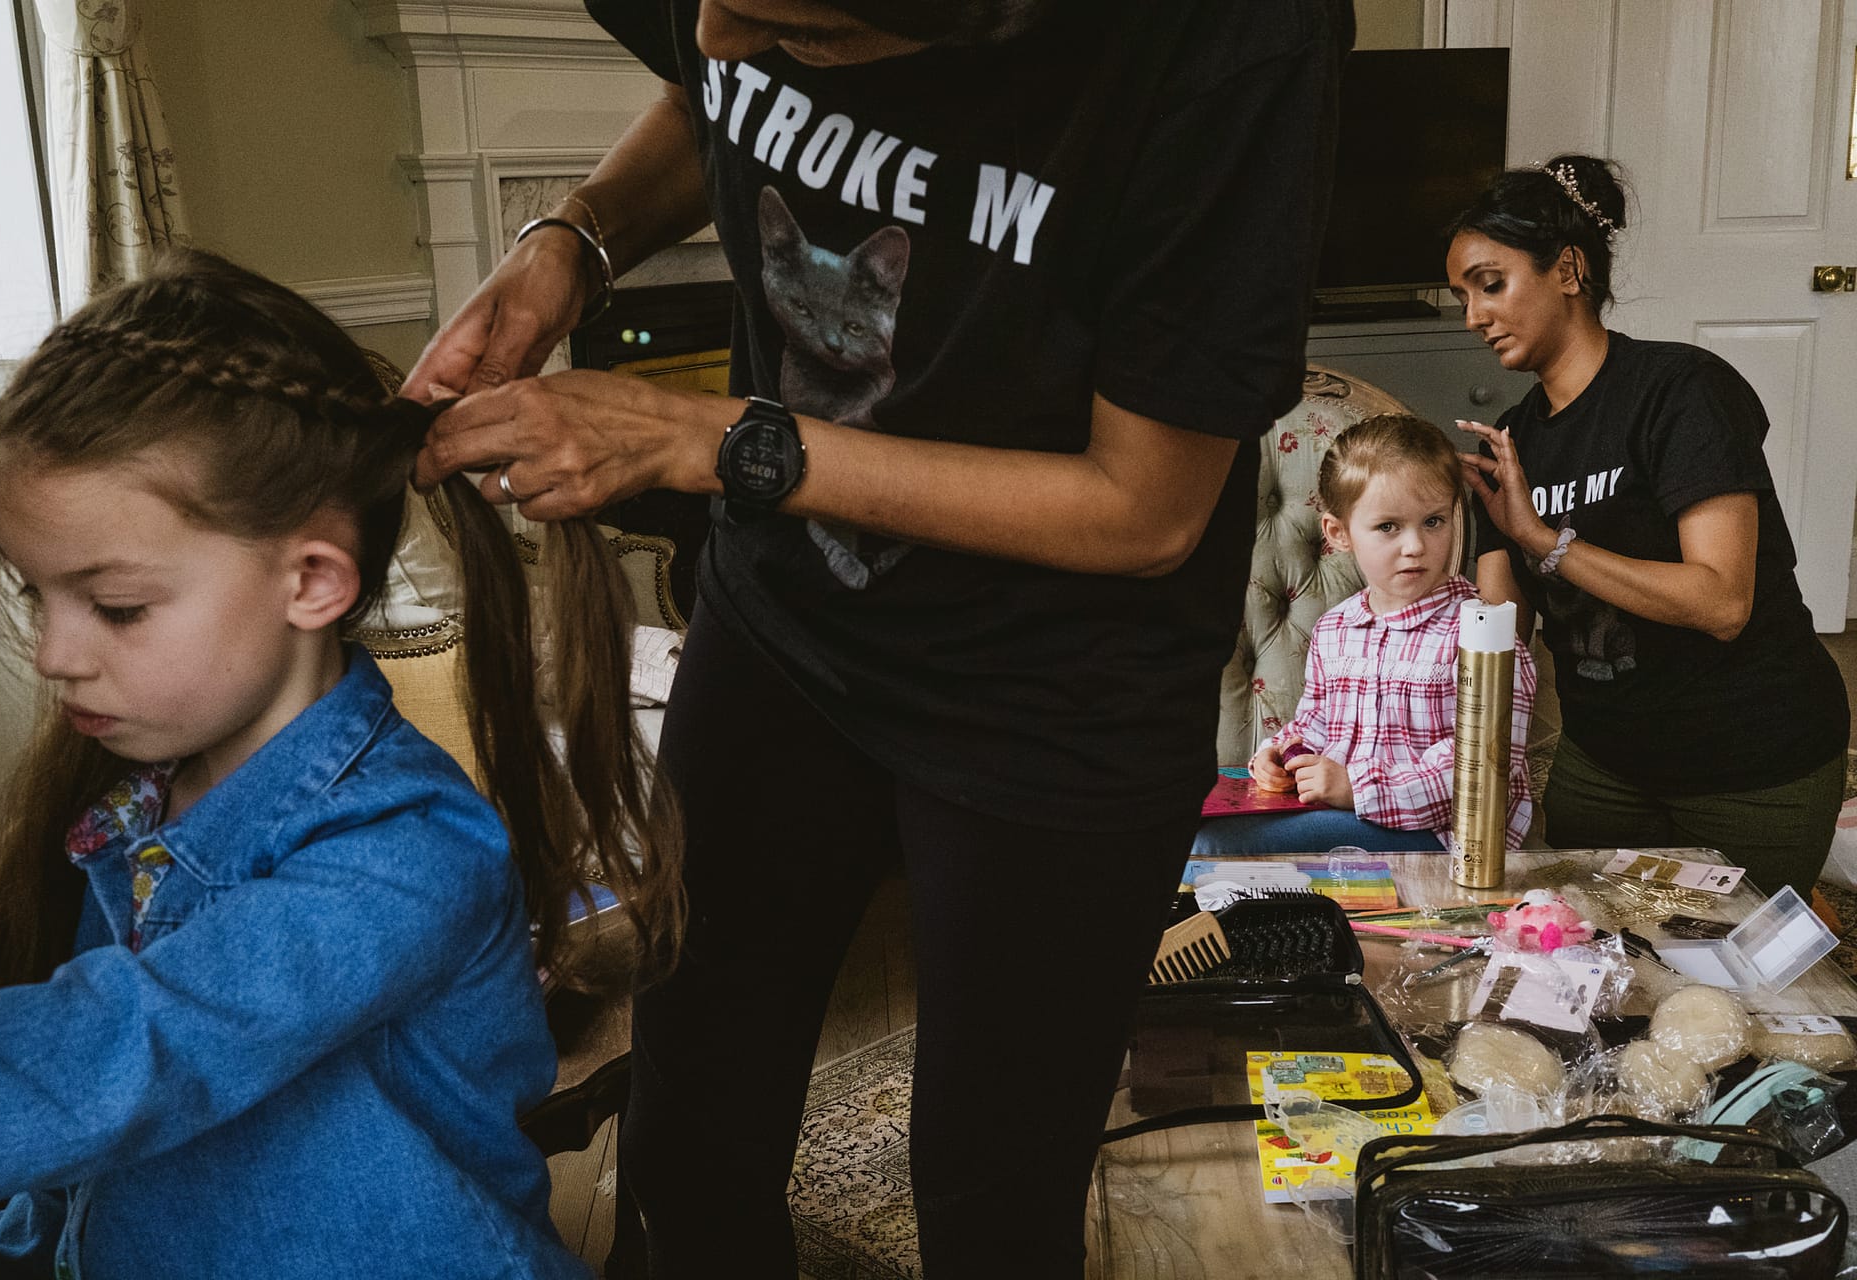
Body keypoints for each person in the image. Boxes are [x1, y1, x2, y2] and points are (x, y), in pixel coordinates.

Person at [402, 0, 1355, 1271]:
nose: (719, 36)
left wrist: (712, 441)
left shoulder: (1233, 41)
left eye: (790, 25)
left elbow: (1146, 510)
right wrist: (577, 239)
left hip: (1059, 694)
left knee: (992, 1206)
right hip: (780, 627)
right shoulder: (726, 21)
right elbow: (719, 98)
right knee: (684, 1144)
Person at [0, 250, 681, 1279]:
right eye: (36, 596)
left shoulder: (407, 852)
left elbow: (134, 1048)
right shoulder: (139, 804)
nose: (56, 654)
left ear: (314, 580)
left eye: (115, 607)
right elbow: (107, 1161)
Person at [1448, 154, 1849, 900]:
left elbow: (1722, 603)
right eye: (1462, 296)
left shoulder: (1681, 393)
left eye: (1490, 284)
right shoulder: (1510, 440)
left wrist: (1542, 540)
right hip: (1605, 766)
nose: (1473, 316)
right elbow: (1498, 633)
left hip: (1753, 762)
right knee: (1586, 964)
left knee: (1731, 977)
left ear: (1567, 271)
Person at [1193, 414, 1536, 857]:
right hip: (1345, 814)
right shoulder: (1335, 629)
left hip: (1442, 837)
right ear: (1338, 533)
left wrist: (1358, 787)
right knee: (1188, 825)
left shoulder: (1481, 637)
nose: (1414, 545)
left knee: (1210, 846)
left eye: (1433, 522)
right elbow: (1315, 722)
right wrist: (1281, 753)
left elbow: (1484, 772)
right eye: (1388, 527)